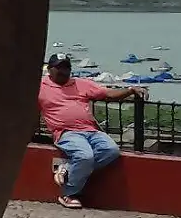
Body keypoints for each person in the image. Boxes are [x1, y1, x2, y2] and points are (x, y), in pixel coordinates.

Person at [39, 54, 146, 209]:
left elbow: (108, 94)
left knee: (111, 150)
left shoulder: (80, 84)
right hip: (66, 133)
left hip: (90, 130)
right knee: (85, 156)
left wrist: (130, 90)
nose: (63, 71)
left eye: (66, 67)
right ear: (49, 69)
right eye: (59, 68)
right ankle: (68, 193)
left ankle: (68, 168)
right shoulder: (40, 86)